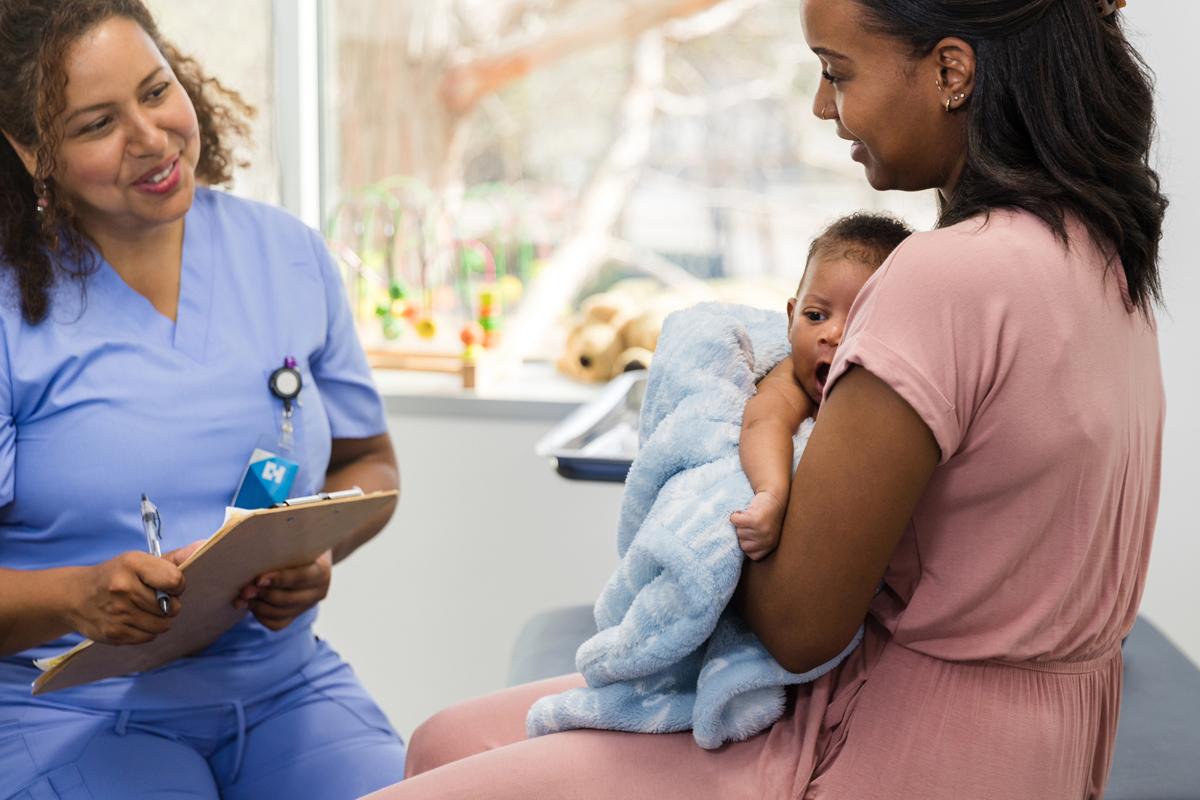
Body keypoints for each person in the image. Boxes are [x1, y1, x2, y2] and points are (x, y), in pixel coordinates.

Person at [362, 0, 1167, 797]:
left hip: (888, 747)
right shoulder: (1105, 261)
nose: (824, 107)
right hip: (1042, 749)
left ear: (952, 71)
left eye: (835, 72)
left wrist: (714, 426)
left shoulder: (944, 276)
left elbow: (795, 625)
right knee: (442, 743)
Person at [0, 1, 407, 797]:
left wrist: (318, 551)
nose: (151, 138)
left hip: (286, 690)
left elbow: (371, 460)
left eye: (157, 91)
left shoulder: (287, 254)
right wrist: (77, 599)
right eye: (95, 125)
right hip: (71, 712)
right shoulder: (12, 311)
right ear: (29, 152)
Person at [731, 212, 912, 560]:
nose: (832, 335)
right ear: (790, 319)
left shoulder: (895, 392)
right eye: (815, 316)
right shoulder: (792, 380)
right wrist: (770, 495)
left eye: (861, 320)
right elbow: (764, 421)